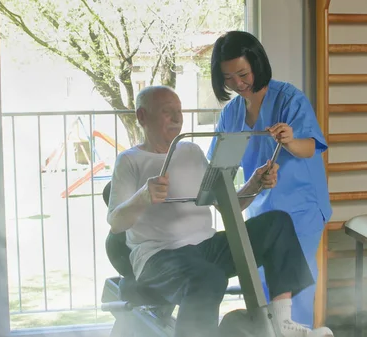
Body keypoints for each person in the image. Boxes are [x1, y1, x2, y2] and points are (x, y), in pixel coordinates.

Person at [106, 85, 334, 337]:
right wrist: (143, 196)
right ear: (142, 116)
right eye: (167, 112)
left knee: (277, 223)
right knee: (209, 277)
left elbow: (228, 205)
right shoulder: (128, 160)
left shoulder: (191, 151)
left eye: (179, 111)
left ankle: (281, 324)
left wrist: (255, 184)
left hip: (207, 247)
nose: (178, 118)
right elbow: (116, 222)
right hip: (159, 256)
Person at [207, 31, 333, 329]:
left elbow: (311, 147)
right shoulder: (231, 114)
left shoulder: (289, 99)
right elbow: (219, 166)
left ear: (257, 64)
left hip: (301, 206)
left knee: (294, 283)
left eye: (243, 73)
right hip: (262, 207)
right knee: (262, 287)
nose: (237, 84)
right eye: (228, 77)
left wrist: (290, 140)